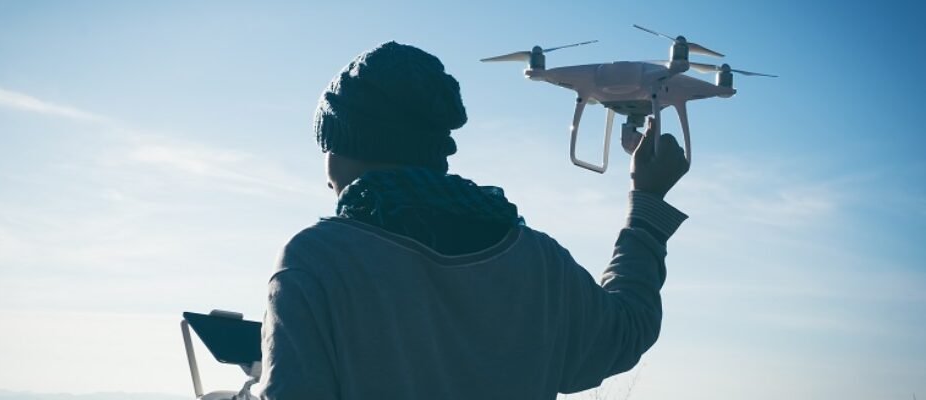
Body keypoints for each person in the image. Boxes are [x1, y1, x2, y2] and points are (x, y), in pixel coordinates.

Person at [259, 41, 689, 400]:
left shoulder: (316, 260)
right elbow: (626, 330)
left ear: (345, 148)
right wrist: (646, 204)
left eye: (326, 147)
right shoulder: (538, 262)